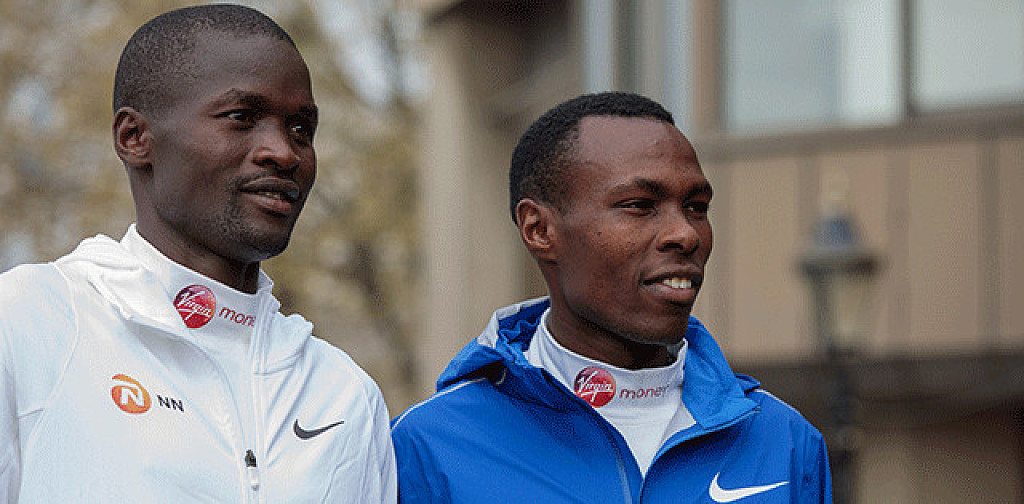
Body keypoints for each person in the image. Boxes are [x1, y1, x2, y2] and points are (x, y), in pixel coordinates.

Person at [0, 5, 396, 502]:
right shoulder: (30, 321)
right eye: (242, 117)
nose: (284, 152)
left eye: (301, 129)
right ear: (134, 138)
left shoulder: (345, 395)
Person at [391, 92, 831, 502]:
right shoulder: (425, 446)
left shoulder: (784, 443)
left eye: (696, 207)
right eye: (640, 205)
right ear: (539, 230)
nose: (685, 234)